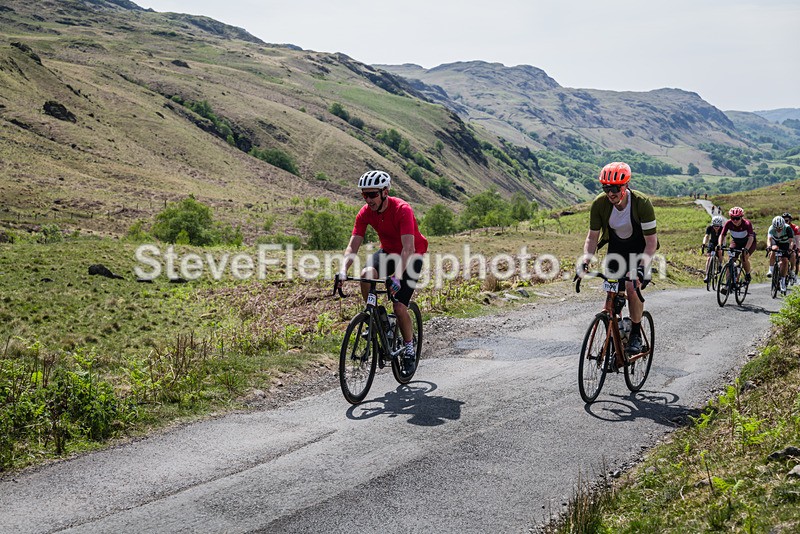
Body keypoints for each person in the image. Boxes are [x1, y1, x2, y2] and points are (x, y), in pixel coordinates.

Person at [337, 170, 428, 372]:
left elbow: (408, 248)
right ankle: (378, 318)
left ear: (385, 192)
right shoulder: (365, 212)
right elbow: (353, 246)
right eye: (364, 195)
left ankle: (409, 348)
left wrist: (396, 277)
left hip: (411, 255)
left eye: (372, 194)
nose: (368, 199)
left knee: (399, 307)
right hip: (387, 252)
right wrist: (343, 270)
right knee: (365, 275)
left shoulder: (402, 209)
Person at [578, 161, 658, 355]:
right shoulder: (600, 203)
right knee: (610, 296)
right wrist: (585, 261)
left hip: (641, 250)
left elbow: (651, 242)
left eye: (615, 188)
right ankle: (613, 338)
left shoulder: (641, 203)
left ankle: (636, 334)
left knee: (631, 286)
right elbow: (592, 236)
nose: (610, 193)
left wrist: (640, 269)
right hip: (617, 250)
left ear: (625, 185)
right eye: (606, 188)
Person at [717, 206, 755, 284]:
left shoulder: (747, 224)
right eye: (732, 218)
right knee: (730, 260)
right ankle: (727, 284)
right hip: (736, 242)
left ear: (741, 217)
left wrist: (746, 249)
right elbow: (722, 235)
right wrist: (720, 245)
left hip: (748, 242)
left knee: (743, 257)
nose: (735, 220)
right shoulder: (728, 223)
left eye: (737, 218)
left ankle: (747, 274)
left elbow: (751, 237)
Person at [767, 215, 795, 293]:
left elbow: (791, 241)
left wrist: (790, 248)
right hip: (776, 242)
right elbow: (769, 239)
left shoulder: (787, 228)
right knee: (773, 250)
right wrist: (769, 246)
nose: (778, 230)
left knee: (785, 260)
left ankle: (782, 281)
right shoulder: (771, 228)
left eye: (780, 228)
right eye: (777, 228)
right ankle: (771, 270)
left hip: (785, 243)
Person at [702, 215, 725, 283]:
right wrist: (703, 244)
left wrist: (720, 245)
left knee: (720, 252)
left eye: (718, 226)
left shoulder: (722, 229)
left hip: (720, 242)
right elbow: (706, 236)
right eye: (714, 226)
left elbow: (724, 238)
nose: (716, 227)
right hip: (712, 242)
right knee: (709, 258)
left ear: (720, 225)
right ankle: (707, 275)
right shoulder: (709, 228)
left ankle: (720, 265)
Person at [783, 212, 799, 281]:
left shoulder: (795, 228)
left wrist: (798, 249)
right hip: (786, 244)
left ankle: (792, 270)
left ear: (790, 220)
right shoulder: (782, 227)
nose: (785, 222)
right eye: (783, 221)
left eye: (786, 221)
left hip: (794, 244)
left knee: (795, 255)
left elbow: (797, 239)